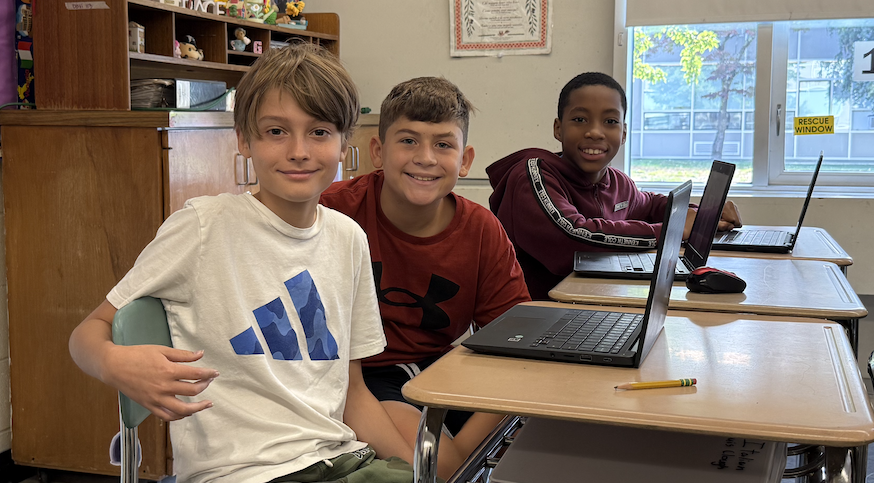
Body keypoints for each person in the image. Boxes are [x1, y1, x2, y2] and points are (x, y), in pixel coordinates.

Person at [68, 43, 417, 483]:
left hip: (340, 460)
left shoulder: (348, 239)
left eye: (319, 132)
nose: (298, 151)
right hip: (245, 472)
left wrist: (417, 470)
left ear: (344, 144)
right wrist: (114, 364)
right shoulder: (202, 227)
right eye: (276, 132)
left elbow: (353, 393)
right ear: (244, 140)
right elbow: (86, 335)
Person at [320, 77, 531, 479]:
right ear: (378, 151)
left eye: (443, 144)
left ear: (465, 160)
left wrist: (460, 457)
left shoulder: (482, 230)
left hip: (440, 367)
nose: (426, 158)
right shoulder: (333, 213)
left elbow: (517, 351)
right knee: (433, 460)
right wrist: (447, 466)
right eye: (409, 141)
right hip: (362, 376)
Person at [486, 72, 742, 300]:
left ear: (624, 133)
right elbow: (572, 238)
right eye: (579, 119)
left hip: (587, 310)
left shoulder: (617, 182)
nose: (595, 132)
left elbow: (651, 205)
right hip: (529, 321)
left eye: (610, 122)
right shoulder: (533, 175)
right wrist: (671, 230)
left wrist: (705, 216)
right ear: (558, 128)